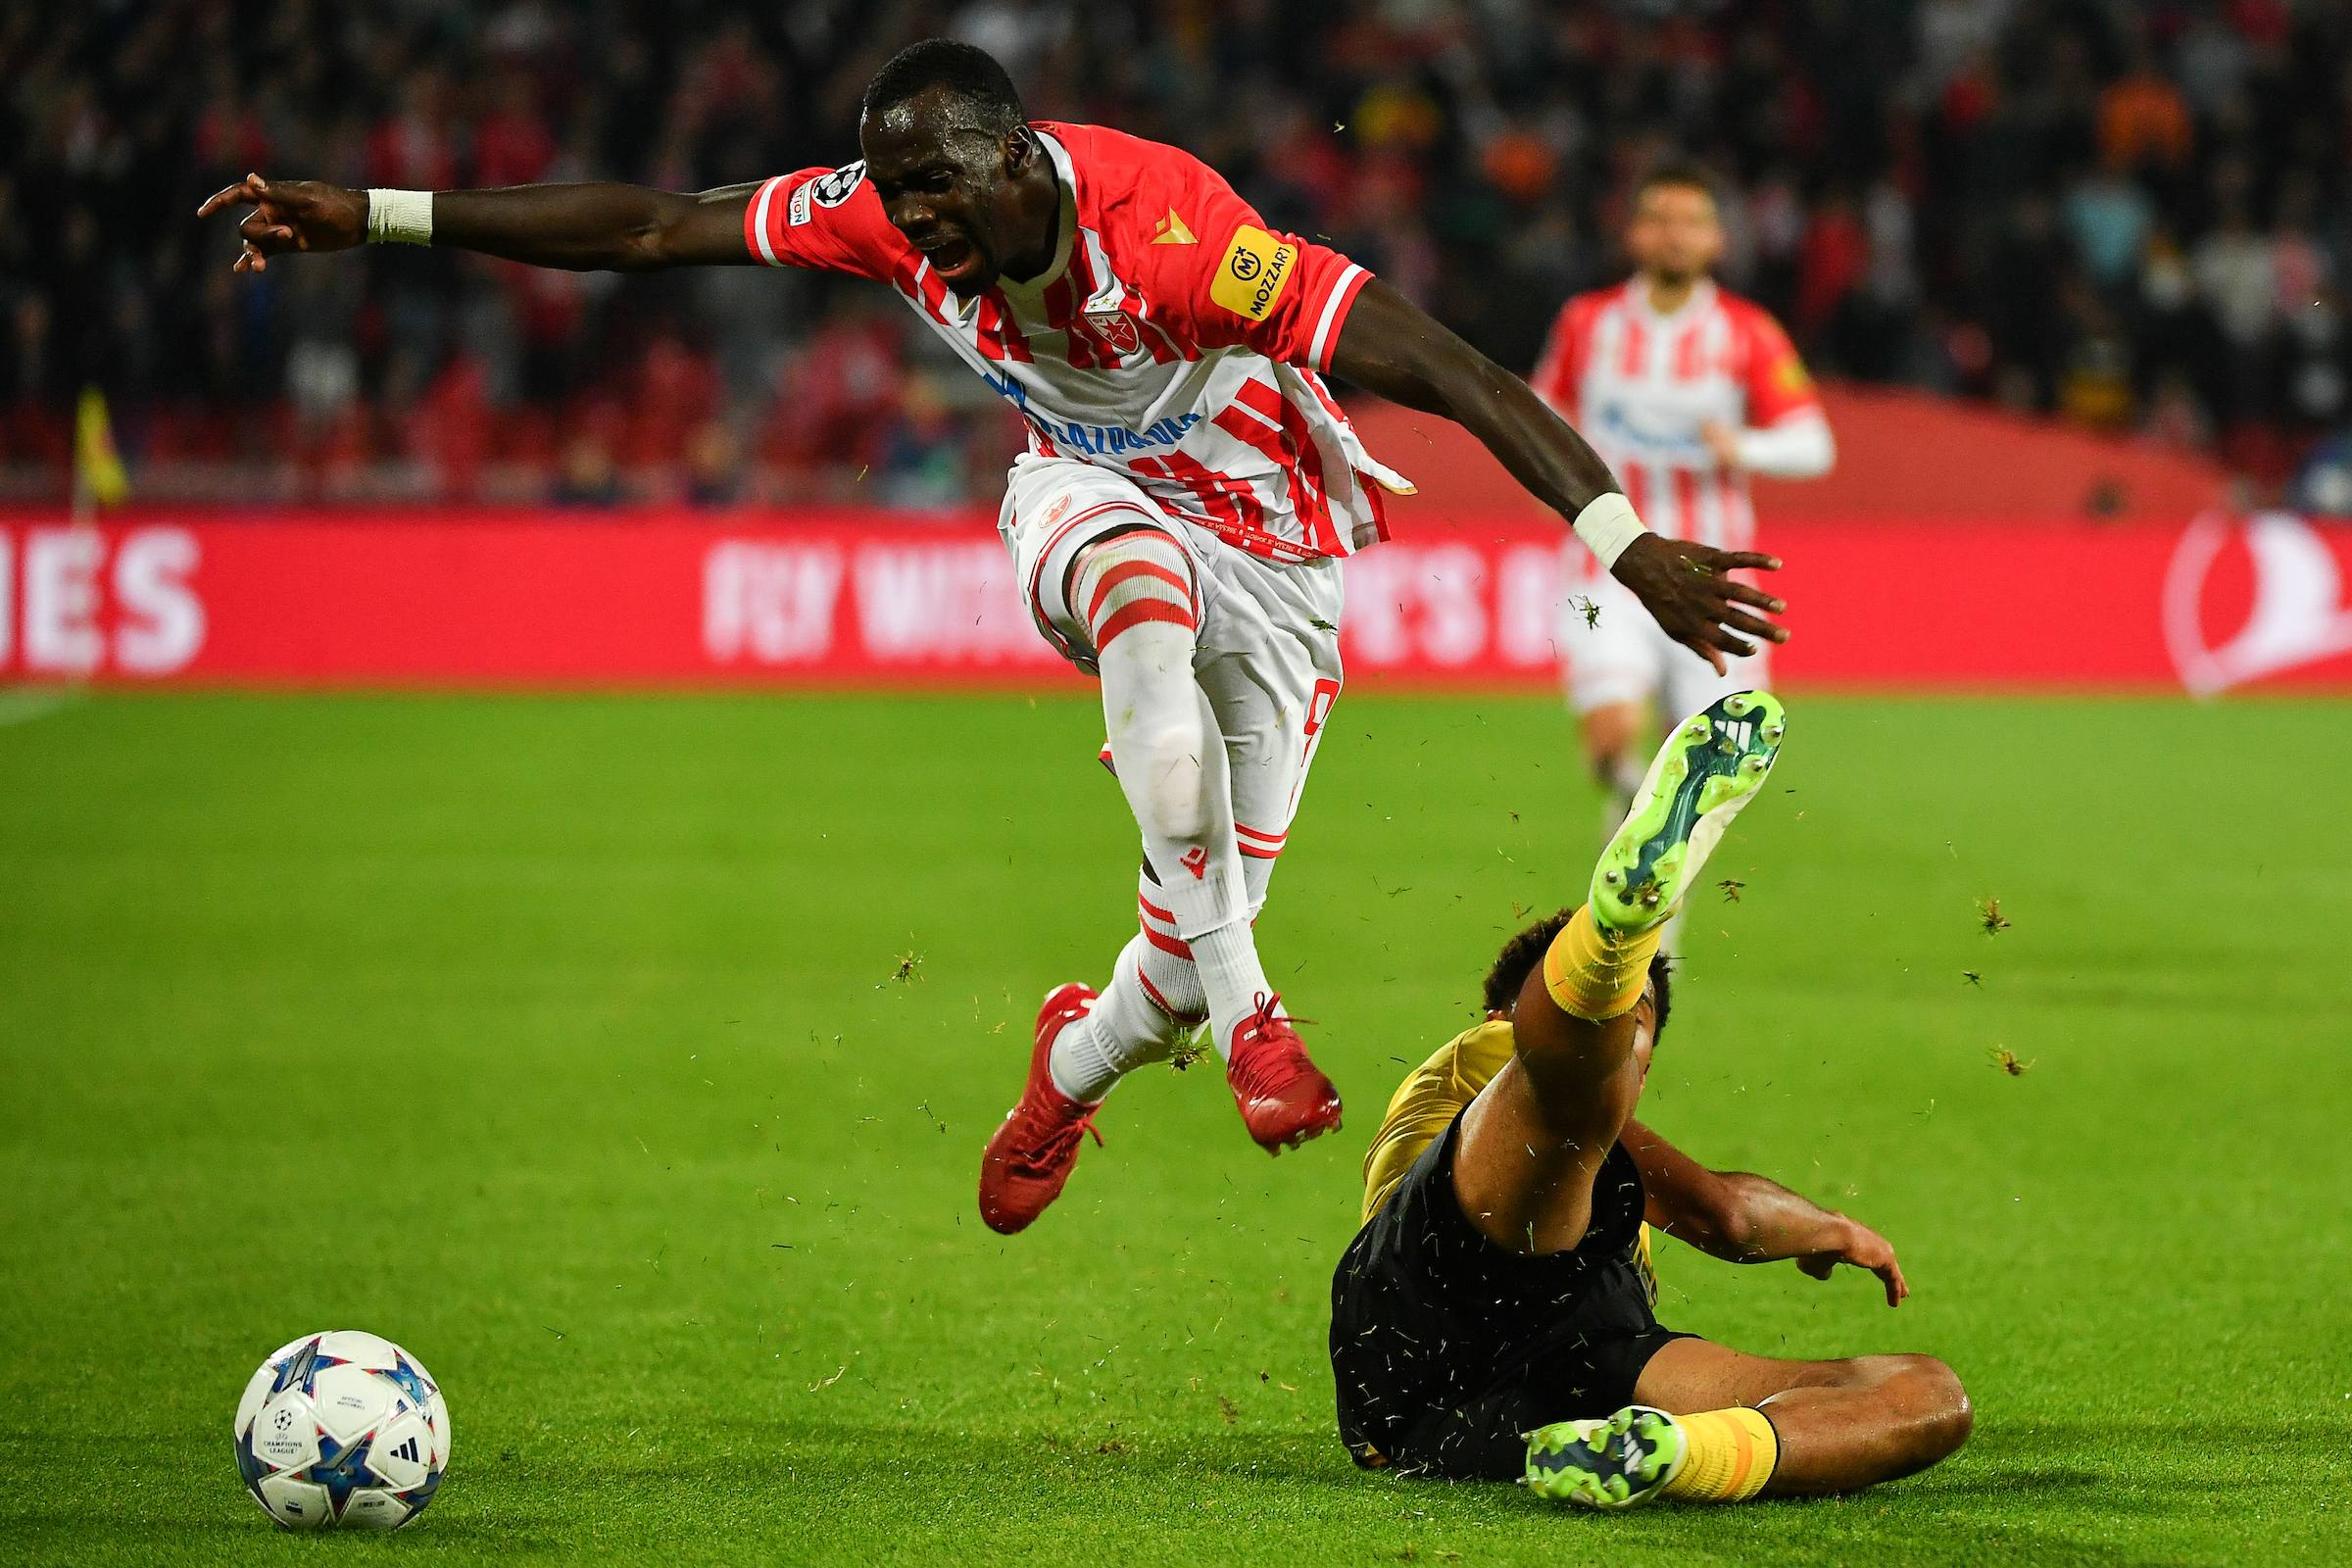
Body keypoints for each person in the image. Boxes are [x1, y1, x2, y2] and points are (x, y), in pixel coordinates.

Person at [200, 42, 1788, 1235]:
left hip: (1272, 536)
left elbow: (1445, 364)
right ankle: (1256, 1013)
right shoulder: (888, 219)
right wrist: (380, 216)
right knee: (1140, 619)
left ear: (1018, 156)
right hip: (1082, 496)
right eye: (896, 202)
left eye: (943, 193)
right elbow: (654, 230)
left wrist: (1622, 540)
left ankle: (1080, 1063)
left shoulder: (1174, 235)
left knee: (1167, 958)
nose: (918, 228)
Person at [1330, 692, 1971, 1506]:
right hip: (1431, 1311)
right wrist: (1824, 1229)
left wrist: (1834, 1228)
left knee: (1925, 1395)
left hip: (1576, 1363)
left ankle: (1669, 1452)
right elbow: (1719, 1214)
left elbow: (1729, 1216)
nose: (1627, 1058)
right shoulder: (1485, 1056)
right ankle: (1616, 940)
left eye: (1637, 1036)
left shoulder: (1602, 1156)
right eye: (1625, 1025)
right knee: (1569, 1094)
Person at [1529, 163, 1833, 869]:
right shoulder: (1587, 323)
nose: (1675, 234)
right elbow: (1541, 415)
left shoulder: (1746, 332)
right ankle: (1634, 802)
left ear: (1717, 240)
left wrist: (1744, 446)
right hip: (1606, 567)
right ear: (1634, 233)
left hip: (1714, 576)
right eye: (1660, 218)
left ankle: (1652, 885)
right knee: (1611, 739)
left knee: (1717, 770)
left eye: (1692, 221)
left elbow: (1815, 445)